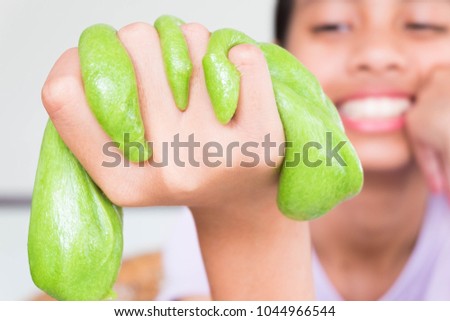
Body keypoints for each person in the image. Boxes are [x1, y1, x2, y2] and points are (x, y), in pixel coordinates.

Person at [41, 0, 450, 300]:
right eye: (333, 26)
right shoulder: (193, 241)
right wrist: (240, 211)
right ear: (276, 56)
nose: (377, 56)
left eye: (423, 25)